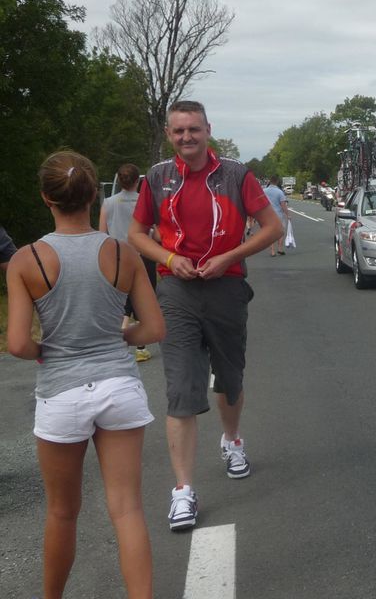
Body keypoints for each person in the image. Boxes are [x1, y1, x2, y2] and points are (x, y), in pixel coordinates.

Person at [6, 151, 165, 599]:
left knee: (62, 512)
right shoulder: (123, 253)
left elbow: (17, 343)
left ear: (45, 198)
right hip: (119, 387)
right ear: (95, 194)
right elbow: (154, 329)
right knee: (127, 508)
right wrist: (121, 337)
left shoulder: (27, 259)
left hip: (62, 391)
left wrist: (47, 351)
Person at [128, 100, 283, 531]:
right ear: (168, 133)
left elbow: (274, 228)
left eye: (193, 130)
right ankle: (183, 491)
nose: (186, 138)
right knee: (180, 386)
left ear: (208, 130)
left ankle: (232, 439)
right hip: (176, 291)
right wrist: (168, 256)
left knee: (230, 378)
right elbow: (136, 234)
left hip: (226, 286)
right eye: (178, 131)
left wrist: (229, 256)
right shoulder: (158, 177)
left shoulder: (235, 175)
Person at [100, 164, 158, 362]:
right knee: (143, 298)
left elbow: (102, 234)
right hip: (144, 254)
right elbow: (156, 232)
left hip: (118, 255)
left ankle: (119, 338)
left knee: (122, 298)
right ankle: (140, 346)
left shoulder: (108, 203)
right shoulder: (145, 202)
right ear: (137, 181)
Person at [262, 175, 290, 256]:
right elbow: (283, 205)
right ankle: (280, 249)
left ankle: (272, 251)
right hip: (278, 214)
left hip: (268, 214)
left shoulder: (264, 191)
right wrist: (288, 214)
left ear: (270, 181)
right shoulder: (280, 192)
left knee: (270, 232)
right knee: (280, 231)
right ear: (277, 182)